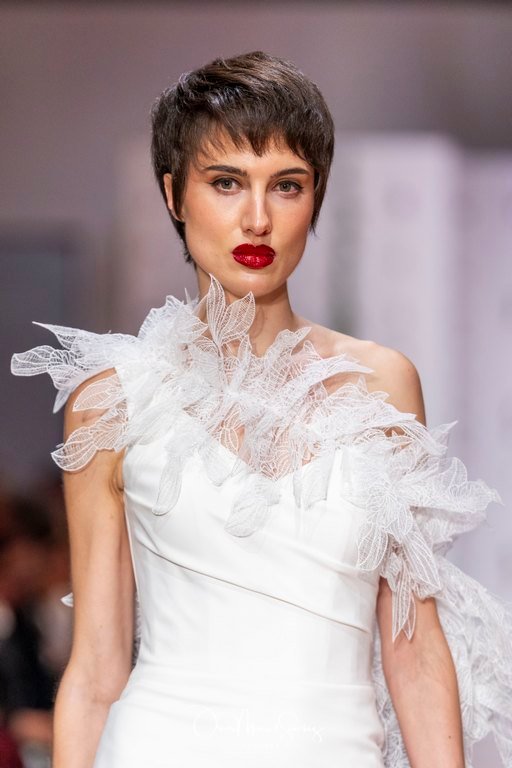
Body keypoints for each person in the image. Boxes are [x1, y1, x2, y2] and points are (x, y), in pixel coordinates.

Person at [10, 51, 512, 768]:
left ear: (316, 198)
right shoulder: (112, 401)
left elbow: (413, 646)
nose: (257, 218)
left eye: (287, 186)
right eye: (225, 182)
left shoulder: (381, 385)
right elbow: (95, 666)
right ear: (174, 195)